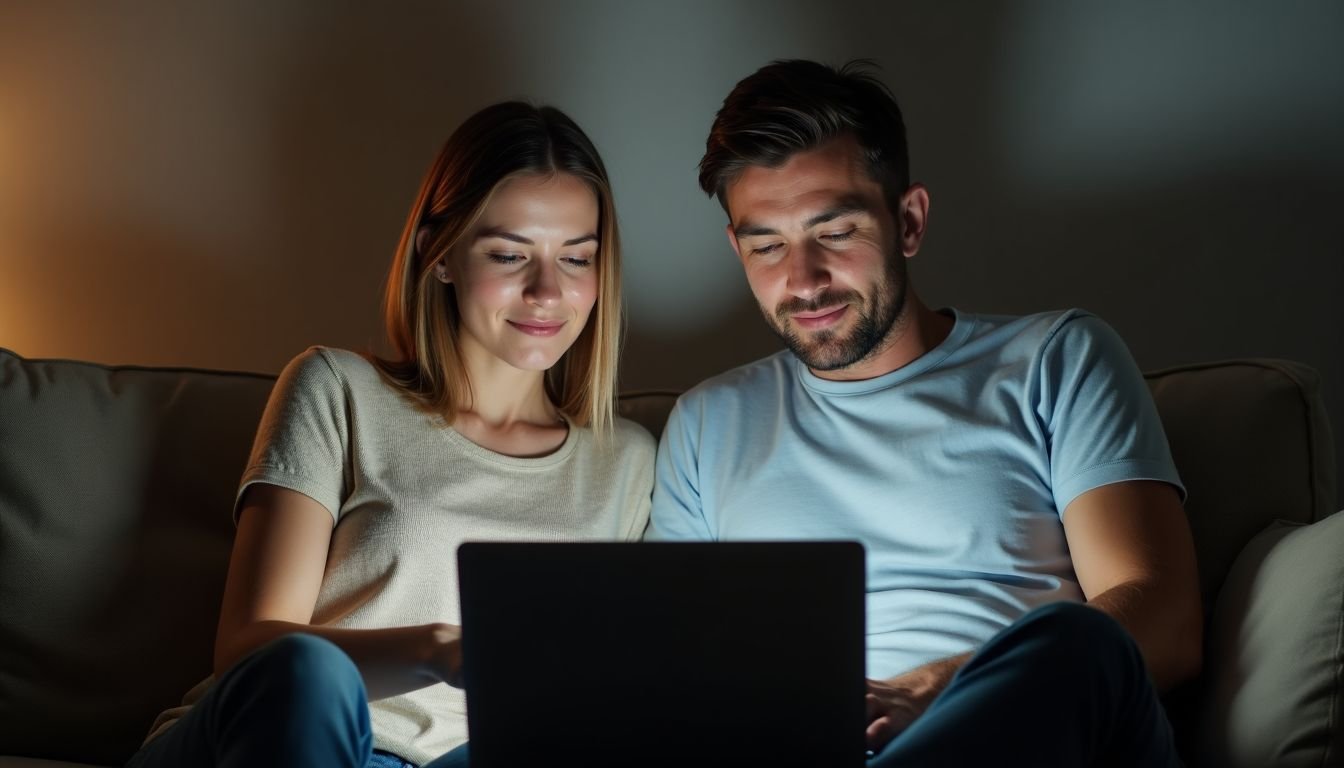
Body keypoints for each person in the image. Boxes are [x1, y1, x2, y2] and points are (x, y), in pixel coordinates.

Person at [648, 59, 1202, 766]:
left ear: (907, 221)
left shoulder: (1056, 358)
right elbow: (671, 673)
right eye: (767, 245)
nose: (803, 279)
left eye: (835, 232)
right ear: (737, 248)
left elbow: (1163, 623)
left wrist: (943, 689)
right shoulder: (708, 425)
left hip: (1025, 734)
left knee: (1079, 638)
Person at [126, 101, 655, 768]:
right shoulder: (338, 389)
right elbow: (251, 649)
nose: (547, 290)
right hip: (283, 737)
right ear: (441, 256)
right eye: (508, 254)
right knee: (306, 670)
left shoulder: (630, 464)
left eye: (577, 258)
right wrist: (440, 651)